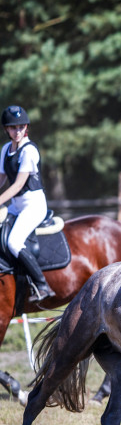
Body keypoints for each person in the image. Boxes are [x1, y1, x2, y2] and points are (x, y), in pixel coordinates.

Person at [0, 105, 55, 302]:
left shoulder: (29, 151)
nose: (18, 131)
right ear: (6, 129)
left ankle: (42, 285)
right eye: (13, 128)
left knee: (13, 242)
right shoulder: (6, 149)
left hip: (33, 205)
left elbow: (17, 185)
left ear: (26, 128)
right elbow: (1, 179)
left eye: (21, 127)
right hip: (16, 205)